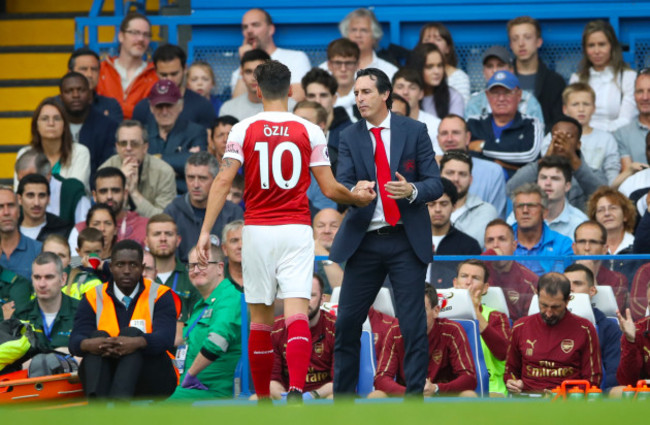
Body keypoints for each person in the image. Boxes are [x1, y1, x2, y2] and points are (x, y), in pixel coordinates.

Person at [196, 60, 375, 402]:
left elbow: (221, 180)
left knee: (261, 318)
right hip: (295, 228)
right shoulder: (309, 130)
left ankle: (263, 397)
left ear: (258, 91)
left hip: (259, 229)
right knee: (296, 312)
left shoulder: (243, 129)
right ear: (292, 91)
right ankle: (295, 388)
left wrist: (206, 232)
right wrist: (356, 198)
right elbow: (330, 187)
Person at [330, 67, 443, 397]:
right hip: (364, 241)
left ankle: (413, 402)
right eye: (356, 93)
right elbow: (344, 181)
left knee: (412, 325)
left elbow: (435, 183)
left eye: (366, 92)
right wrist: (356, 190)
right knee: (347, 323)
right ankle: (343, 405)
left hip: (406, 240)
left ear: (385, 94)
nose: (359, 98)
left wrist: (411, 191)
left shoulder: (415, 130)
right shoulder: (348, 136)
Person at [69, 240, 178, 399]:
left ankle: (118, 408)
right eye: (120, 265)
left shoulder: (161, 294)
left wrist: (137, 342)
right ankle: (98, 409)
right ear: (111, 267)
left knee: (132, 333)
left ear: (141, 268)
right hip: (106, 370)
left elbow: (166, 338)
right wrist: (92, 344)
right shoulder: (93, 296)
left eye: (133, 265)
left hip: (152, 375)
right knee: (96, 337)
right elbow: (75, 341)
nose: (126, 270)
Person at [371, 285, 477, 397]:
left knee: (469, 395)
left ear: (436, 311)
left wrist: (436, 389)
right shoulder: (395, 332)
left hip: (443, 398)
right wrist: (410, 393)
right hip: (407, 398)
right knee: (376, 396)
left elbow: (469, 378)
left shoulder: (452, 331)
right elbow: (381, 379)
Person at [505, 272, 602, 393]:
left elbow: (593, 379)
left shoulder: (585, 329)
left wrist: (566, 394)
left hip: (568, 402)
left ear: (568, 300)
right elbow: (511, 371)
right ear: (537, 296)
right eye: (543, 305)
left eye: (555, 307)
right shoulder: (520, 327)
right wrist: (512, 382)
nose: (548, 313)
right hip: (529, 400)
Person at [168, 244, 242, 400]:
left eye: (202, 264)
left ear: (220, 268)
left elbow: (218, 341)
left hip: (212, 392)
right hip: (188, 388)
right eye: (192, 265)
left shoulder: (229, 298)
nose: (195, 270)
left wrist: (191, 374)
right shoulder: (201, 304)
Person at [506, 116, 608, 212]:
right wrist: (545, 160)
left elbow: (604, 196)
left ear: (578, 144)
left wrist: (572, 157)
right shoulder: (535, 171)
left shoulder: (593, 173)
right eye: (557, 136)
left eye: (568, 136)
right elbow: (510, 190)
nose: (561, 141)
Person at [164, 152, 243, 262]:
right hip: (183, 275)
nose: (195, 184)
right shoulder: (172, 211)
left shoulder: (233, 212)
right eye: (191, 177)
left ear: (215, 179)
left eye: (202, 178)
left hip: (222, 276)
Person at [268, 275, 335, 400]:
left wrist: (313, 395)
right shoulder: (276, 329)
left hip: (323, 398)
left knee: (334, 398)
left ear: (322, 299)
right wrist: (286, 398)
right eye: (300, 296)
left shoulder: (336, 328)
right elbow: (272, 380)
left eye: (311, 295)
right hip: (287, 398)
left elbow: (340, 381)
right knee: (256, 399)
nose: (305, 301)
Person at [467, 70, 543, 177]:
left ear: (519, 95)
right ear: (487, 96)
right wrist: (505, 162)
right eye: (495, 93)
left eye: (507, 92)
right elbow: (463, 153)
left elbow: (529, 156)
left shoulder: (531, 124)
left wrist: (483, 146)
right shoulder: (473, 123)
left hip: (520, 189)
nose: (501, 99)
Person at [452, 259, 511, 396]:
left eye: (475, 278)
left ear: (485, 288)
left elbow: (504, 353)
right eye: (464, 276)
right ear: (455, 283)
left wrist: (476, 313)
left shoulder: (496, 317)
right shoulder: (440, 315)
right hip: (450, 387)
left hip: (491, 390)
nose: (468, 282)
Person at [544, 83, 620, 185]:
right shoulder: (553, 137)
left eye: (586, 104)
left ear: (594, 108)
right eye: (575, 104)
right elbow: (546, 167)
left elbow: (611, 176)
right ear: (565, 109)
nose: (581, 109)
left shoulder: (607, 139)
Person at [99, 120, 177, 218]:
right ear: (117, 147)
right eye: (123, 143)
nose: (128, 148)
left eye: (134, 144)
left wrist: (134, 192)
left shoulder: (164, 172)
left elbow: (165, 220)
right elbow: (104, 216)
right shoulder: (105, 170)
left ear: (145, 147)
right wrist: (121, 183)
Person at [569, 20, 637, 132]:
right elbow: (573, 119)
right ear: (585, 49)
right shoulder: (577, 79)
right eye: (591, 45)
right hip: (583, 141)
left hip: (617, 142)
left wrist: (595, 132)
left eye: (602, 44)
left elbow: (626, 120)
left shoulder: (628, 77)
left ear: (612, 46)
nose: (596, 51)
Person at [230, 8, 311, 101]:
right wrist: (245, 60)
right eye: (245, 27)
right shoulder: (239, 71)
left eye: (255, 25)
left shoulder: (295, 58)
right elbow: (237, 107)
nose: (249, 31)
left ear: (271, 29)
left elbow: (298, 96)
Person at [564, 263, 621, 391]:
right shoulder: (549, 324)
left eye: (577, 284)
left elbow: (614, 374)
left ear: (592, 291)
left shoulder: (609, 329)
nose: (570, 289)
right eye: (566, 284)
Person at [436, 114, 506, 217]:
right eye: (444, 133)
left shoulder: (492, 171)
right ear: (438, 139)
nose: (449, 139)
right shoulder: (427, 170)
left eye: (455, 133)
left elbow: (496, 219)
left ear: (468, 137)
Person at [145, 214, 201, 343]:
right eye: (157, 234)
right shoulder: (137, 279)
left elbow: (197, 322)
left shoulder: (192, 277)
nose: (163, 238)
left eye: (169, 234)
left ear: (178, 240)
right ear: (146, 241)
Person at [132, 44, 216, 130]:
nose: (169, 79)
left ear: (184, 69)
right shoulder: (142, 108)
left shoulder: (203, 106)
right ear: (156, 72)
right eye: (164, 74)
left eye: (174, 74)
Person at [145, 80, 207, 193]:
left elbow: (198, 165)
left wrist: (153, 159)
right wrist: (178, 162)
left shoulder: (195, 131)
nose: (164, 112)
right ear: (151, 108)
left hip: (184, 198)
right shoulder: (142, 133)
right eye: (159, 106)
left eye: (169, 105)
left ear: (181, 106)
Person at [16, 99, 91, 191]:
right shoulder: (24, 153)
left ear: (64, 126)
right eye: (45, 119)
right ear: (36, 126)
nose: (51, 123)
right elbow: (19, 191)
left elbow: (74, 191)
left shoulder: (80, 152)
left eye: (57, 118)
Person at [506, 156, 587, 240]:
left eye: (555, 179)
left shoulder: (580, 222)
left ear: (567, 186)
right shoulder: (519, 215)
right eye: (543, 178)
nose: (547, 183)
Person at [508, 16, 566, 131]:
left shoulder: (555, 81)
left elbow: (558, 121)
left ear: (539, 42)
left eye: (527, 37)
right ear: (511, 45)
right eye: (515, 39)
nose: (521, 44)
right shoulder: (503, 80)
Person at [13, 252, 78, 352]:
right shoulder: (21, 314)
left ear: (63, 279)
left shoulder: (81, 312)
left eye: (49, 277)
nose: (42, 284)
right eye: (37, 277)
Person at [96, 12, 158, 119]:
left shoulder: (155, 74)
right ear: (120, 36)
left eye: (146, 34)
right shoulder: (101, 70)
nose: (141, 39)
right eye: (135, 33)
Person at [465, 45, 544, 126]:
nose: (495, 70)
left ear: (511, 70)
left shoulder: (529, 101)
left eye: (500, 65)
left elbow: (537, 135)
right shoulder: (474, 103)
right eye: (489, 66)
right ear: (483, 72)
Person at [71, 168, 149, 250]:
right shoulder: (80, 230)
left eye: (115, 191)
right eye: (103, 191)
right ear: (94, 196)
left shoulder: (144, 226)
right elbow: (73, 262)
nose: (109, 196)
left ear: (125, 194)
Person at [59, 71, 118, 178]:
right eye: (69, 91)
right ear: (61, 97)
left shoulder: (108, 127)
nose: (75, 95)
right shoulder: (54, 125)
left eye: (81, 90)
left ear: (90, 94)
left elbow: (108, 168)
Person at [427, 178, 481, 288]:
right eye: (432, 204)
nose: (437, 209)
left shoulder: (469, 246)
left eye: (444, 203)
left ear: (454, 206)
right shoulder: (410, 241)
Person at [14, 149, 90, 226]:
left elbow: (84, 231)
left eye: (30, 180)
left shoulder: (72, 191)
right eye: (21, 181)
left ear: (48, 174)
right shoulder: (19, 195)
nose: (24, 185)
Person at [511, 183, 573, 275]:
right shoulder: (500, 240)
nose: (525, 211)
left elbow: (561, 282)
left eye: (531, 206)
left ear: (545, 213)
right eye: (520, 206)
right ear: (515, 213)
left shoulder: (563, 245)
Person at [440, 150, 498, 249]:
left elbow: (469, 248)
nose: (455, 179)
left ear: (471, 180)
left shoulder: (485, 211)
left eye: (462, 174)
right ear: (439, 176)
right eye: (450, 173)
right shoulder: (424, 207)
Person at [483, 218, 538, 321]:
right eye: (490, 240)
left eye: (502, 239)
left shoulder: (529, 281)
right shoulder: (478, 274)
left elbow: (531, 323)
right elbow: (467, 269)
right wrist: (489, 255)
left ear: (514, 246)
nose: (495, 245)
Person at [302, 67, 353, 172]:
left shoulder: (349, 132)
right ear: (305, 99)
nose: (317, 101)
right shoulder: (298, 129)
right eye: (311, 96)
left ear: (334, 99)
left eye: (323, 95)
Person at [572, 221, 629, 312]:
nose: (587, 248)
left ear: (604, 249)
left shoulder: (617, 279)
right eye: (582, 242)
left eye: (593, 242)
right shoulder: (561, 277)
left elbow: (612, 313)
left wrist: (590, 276)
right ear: (574, 248)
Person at [331, 8, 397, 80]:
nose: (358, 35)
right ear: (346, 34)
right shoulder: (328, 69)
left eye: (364, 30)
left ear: (375, 35)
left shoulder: (389, 72)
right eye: (354, 30)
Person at [417, 22, 470, 104]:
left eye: (438, 39)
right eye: (427, 39)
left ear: (448, 48)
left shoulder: (459, 77)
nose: (431, 43)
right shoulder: (413, 73)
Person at [67, 47, 123, 122]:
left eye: (94, 69)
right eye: (83, 69)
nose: (89, 74)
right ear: (70, 73)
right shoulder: (57, 106)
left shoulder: (111, 106)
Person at [392, 68, 441, 153]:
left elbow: (437, 160)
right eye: (400, 87)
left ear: (421, 94)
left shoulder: (435, 125)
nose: (405, 92)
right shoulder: (382, 123)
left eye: (412, 87)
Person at [221, 49, 279, 121]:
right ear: (242, 75)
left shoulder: (289, 107)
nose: (254, 78)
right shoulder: (228, 109)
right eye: (248, 72)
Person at [410, 43, 464, 119]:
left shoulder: (453, 97)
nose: (437, 71)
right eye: (429, 67)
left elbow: (455, 129)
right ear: (418, 68)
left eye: (440, 65)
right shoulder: (407, 95)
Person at [0, 186, 42, 280]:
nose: (6, 212)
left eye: (11, 205)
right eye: (0, 207)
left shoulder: (39, 251)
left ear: (19, 211)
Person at [17, 174, 73, 242]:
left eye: (42, 196)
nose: (36, 203)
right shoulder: (8, 230)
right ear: (19, 199)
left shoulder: (64, 230)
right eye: (30, 196)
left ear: (49, 199)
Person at [613, 70, 650, 171]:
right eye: (640, 91)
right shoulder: (622, 134)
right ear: (634, 95)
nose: (645, 97)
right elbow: (628, 176)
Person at [586, 186, 636, 256]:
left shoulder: (638, 246)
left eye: (613, 208)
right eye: (601, 210)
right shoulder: (588, 248)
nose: (607, 213)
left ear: (625, 215)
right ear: (595, 219)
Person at [615, 291, 650, 387]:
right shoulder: (637, 330)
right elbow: (627, 381)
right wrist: (630, 340)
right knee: (618, 391)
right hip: (646, 394)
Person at [324, 38, 361, 121]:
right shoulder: (319, 96)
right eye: (338, 63)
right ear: (329, 65)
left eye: (349, 63)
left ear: (357, 65)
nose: (343, 69)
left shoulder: (368, 95)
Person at [62, 228, 103, 300]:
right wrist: (89, 270)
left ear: (103, 250)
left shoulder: (108, 271)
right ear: (78, 251)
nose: (92, 256)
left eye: (97, 252)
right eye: (87, 252)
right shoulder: (72, 273)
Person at [312, 208, 344, 294]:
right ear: (313, 231)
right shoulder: (301, 257)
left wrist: (322, 253)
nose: (327, 231)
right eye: (321, 226)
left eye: (334, 226)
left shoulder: (354, 257)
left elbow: (345, 293)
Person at [221, 220, 244, 289]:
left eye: (245, 240)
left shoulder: (263, 276)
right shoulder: (216, 279)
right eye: (234, 241)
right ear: (225, 249)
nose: (240, 246)